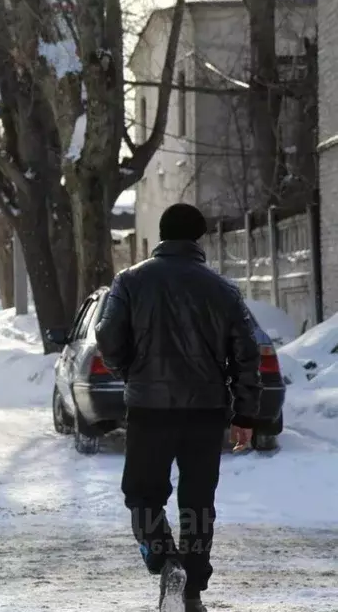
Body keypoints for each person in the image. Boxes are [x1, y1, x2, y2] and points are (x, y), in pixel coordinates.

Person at [95, 203, 262, 612]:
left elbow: (108, 339)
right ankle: (192, 591)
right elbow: (246, 354)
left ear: (162, 235)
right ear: (199, 238)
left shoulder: (130, 282)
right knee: (197, 501)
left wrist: (131, 369)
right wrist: (244, 414)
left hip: (149, 409)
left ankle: (165, 559)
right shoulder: (222, 290)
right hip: (206, 411)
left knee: (143, 494)